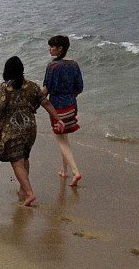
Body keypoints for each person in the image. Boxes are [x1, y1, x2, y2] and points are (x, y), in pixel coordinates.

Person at [0, 55, 64, 206]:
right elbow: (46, 102)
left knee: (16, 161)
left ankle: (29, 193)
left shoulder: (5, 88)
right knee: (24, 157)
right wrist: (58, 119)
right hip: (30, 128)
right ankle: (23, 189)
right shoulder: (32, 86)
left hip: (12, 129)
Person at [43, 35, 83, 187]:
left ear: (60, 49)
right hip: (71, 105)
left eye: (52, 47)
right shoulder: (74, 64)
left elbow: (46, 89)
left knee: (61, 140)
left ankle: (75, 171)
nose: (50, 49)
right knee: (64, 137)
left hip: (57, 107)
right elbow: (79, 87)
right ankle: (63, 170)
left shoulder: (52, 67)